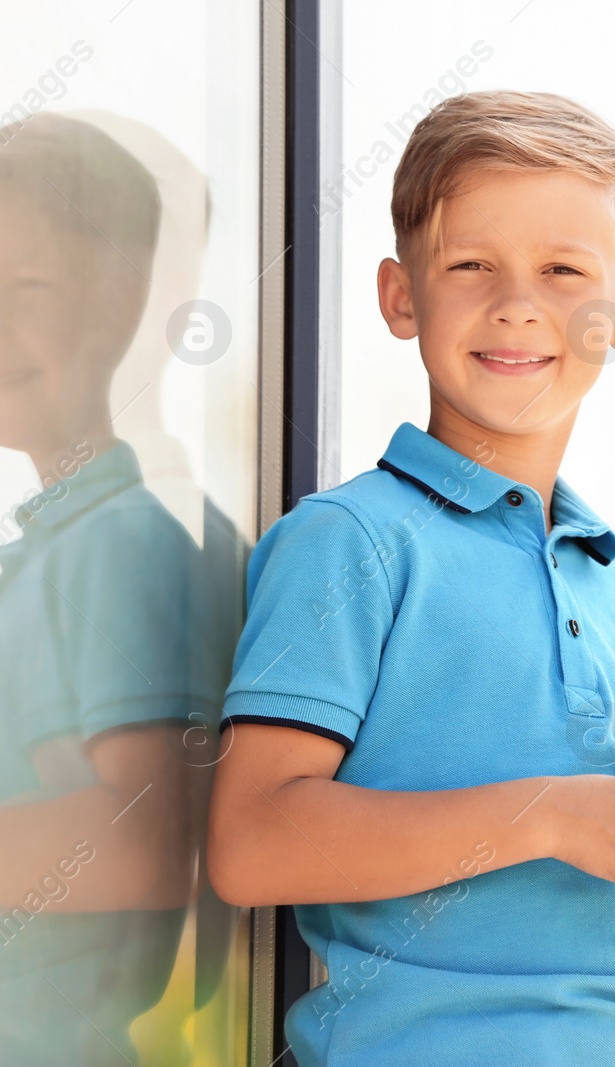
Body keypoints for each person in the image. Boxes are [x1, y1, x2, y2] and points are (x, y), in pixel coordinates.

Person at [207, 90, 615, 1066]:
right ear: (402, 294)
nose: (517, 302)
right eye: (470, 264)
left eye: (563, 269)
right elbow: (252, 844)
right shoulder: (351, 543)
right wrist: (557, 813)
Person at [0, 113, 245, 1065]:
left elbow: (146, 841)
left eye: (28, 286)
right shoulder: (62, 540)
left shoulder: (134, 536)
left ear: (142, 309)